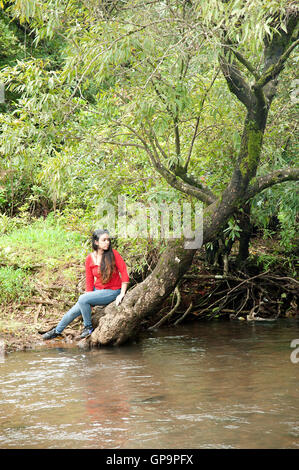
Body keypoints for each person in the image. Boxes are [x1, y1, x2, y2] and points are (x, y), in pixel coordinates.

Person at [42, 229, 129, 340]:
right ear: (96, 242)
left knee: (82, 299)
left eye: (108, 240)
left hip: (113, 291)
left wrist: (122, 293)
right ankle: (57, 331)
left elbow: (124, 272)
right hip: (97, 291)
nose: (107, 242)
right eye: (104, 240)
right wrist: (89, 299)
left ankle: (88, 327)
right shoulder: (89, 258)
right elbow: (89, 281)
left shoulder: (113, 254)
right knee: (74, 311)